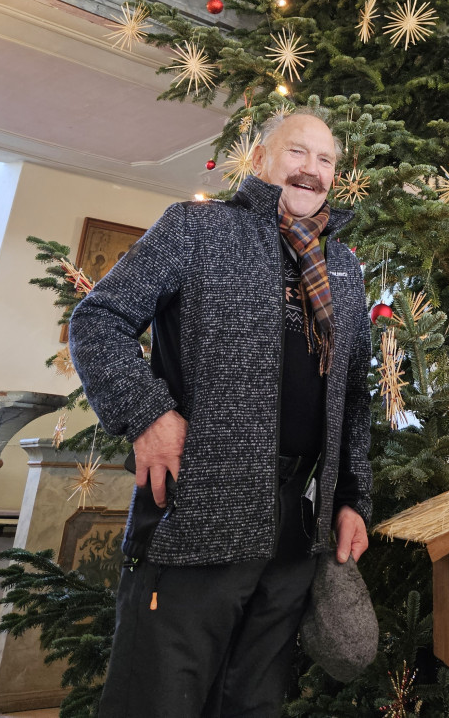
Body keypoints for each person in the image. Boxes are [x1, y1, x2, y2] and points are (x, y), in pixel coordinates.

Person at [69, 108, 372, 717]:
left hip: (293, 530)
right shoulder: (195, 228)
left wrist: (350, 499)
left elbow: (355, 395)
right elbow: (96, 320)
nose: (312, 170)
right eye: (297, 152)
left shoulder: (342, 269)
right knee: (157, 701)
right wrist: (148, 416)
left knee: (253, 704)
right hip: (197, 509)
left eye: (326, 160)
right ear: (259, 160)